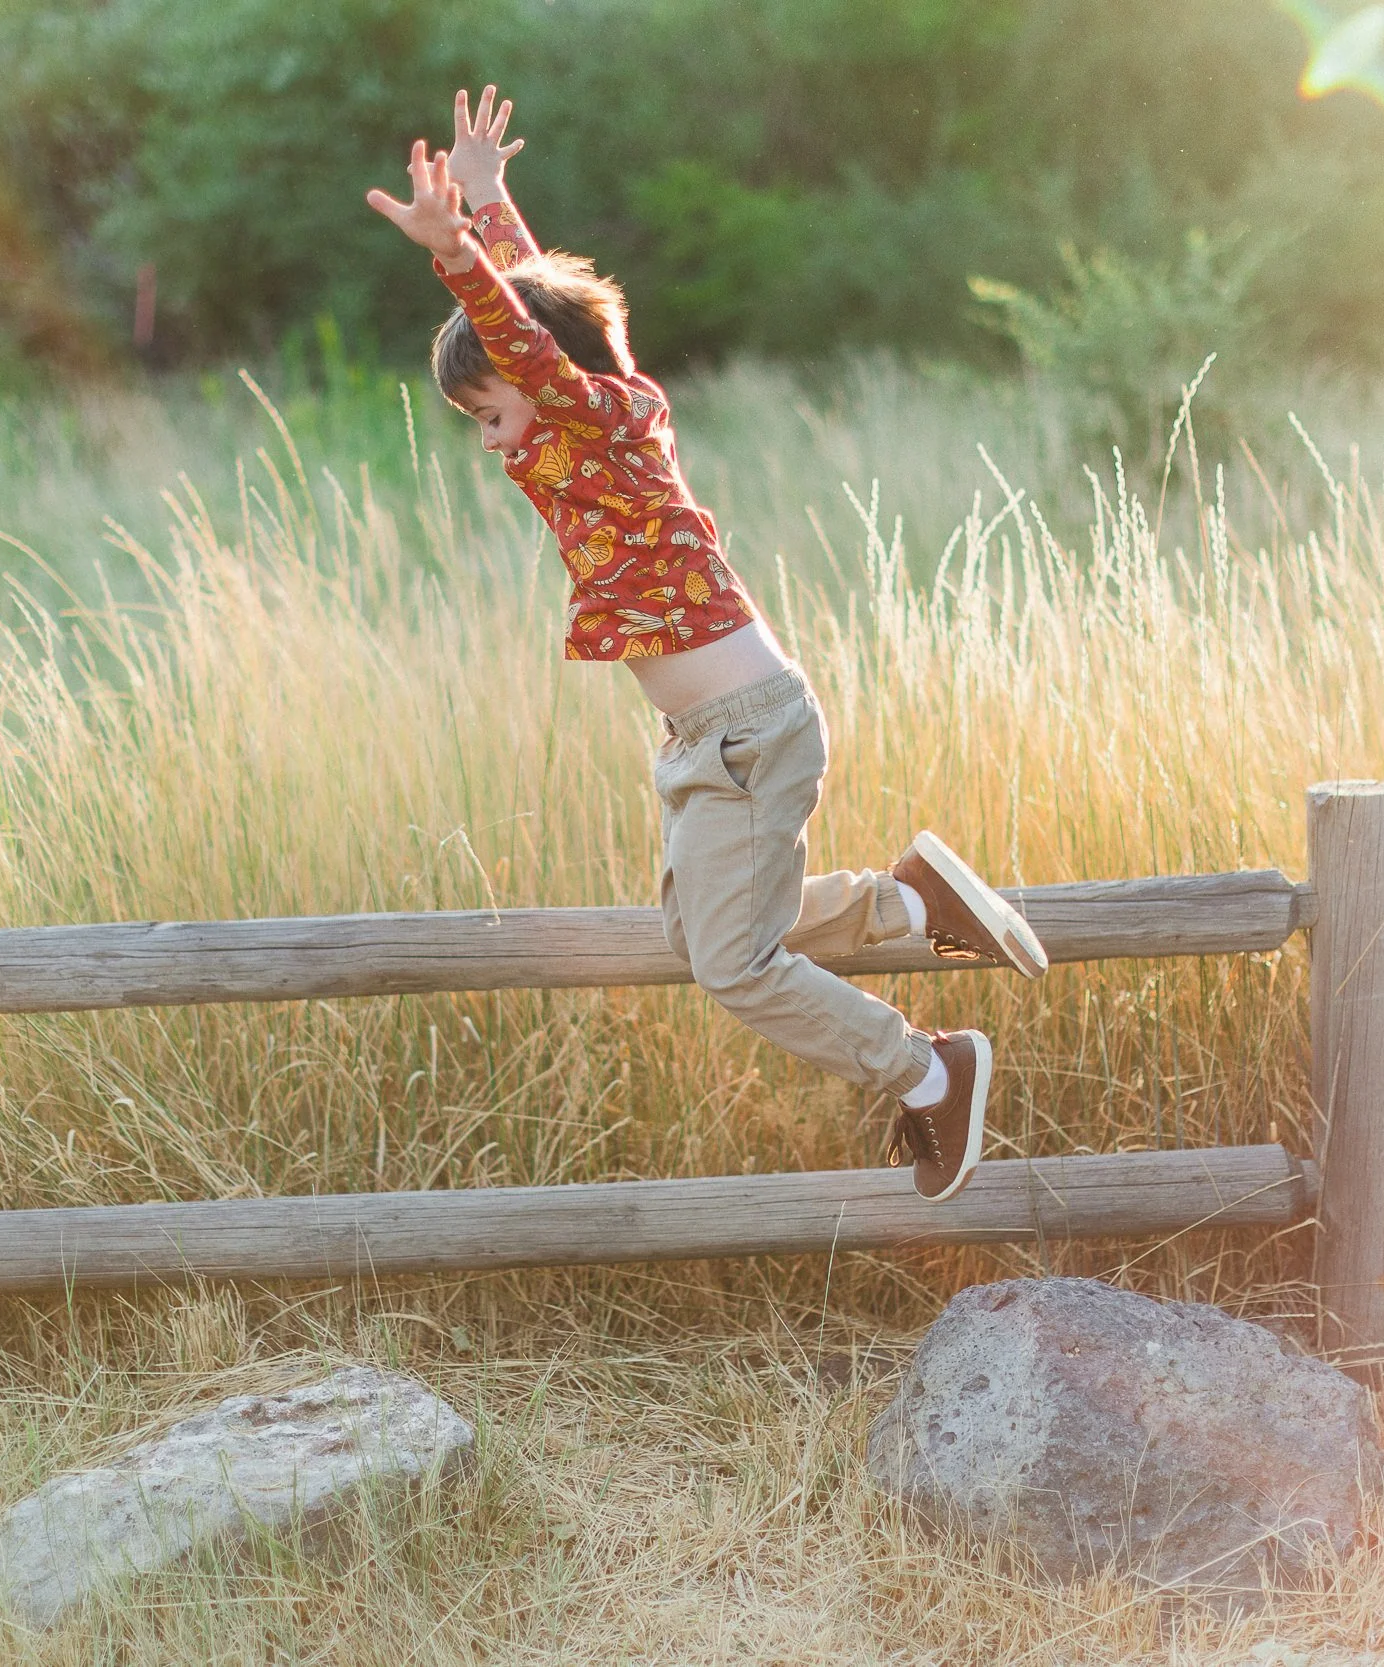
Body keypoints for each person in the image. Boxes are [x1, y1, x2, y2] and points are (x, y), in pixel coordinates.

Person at [365, 88, 1048, 1202]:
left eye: (490, 414)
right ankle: (914, 901)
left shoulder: (587, 417)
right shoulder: (613, 406)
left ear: (538, 385)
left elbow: (531, 339)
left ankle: (928, 1071)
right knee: (704, 932)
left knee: (735, 963)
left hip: (746, 733)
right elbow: (555, 321)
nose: (491, 441)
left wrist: (458, 257)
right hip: (707, 736)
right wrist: (491, 203)